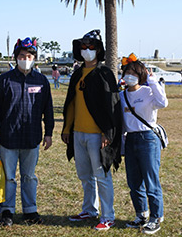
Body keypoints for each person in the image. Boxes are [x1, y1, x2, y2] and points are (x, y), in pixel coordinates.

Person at [61, 29, 122, 231]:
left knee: (101, 175)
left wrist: (107, 133)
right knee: (84, 175)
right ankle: (89, 209)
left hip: (98, 136)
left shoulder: (105, 74)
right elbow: (71, 103)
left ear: (99, 50)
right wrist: (67, 129)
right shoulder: (77, 73)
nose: (87, 50)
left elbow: (111, 106)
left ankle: (108, 215)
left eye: (91, 47)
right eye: (84, 47)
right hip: (78, 134)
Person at [0, 37, 54, 226]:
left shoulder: (42, 81)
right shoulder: (4, 80)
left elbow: (48, 109)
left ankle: (30, 211)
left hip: (31, 138)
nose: (25, 59)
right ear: (15, 57)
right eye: (21, 56)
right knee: (8, 177)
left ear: (34, 58)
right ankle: (7, 211)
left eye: (29, 56)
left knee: (29, 177)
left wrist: (48, 133)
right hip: (8, 138)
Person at [119, 53, 168, 234]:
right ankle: (141, 214)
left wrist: (153, 80)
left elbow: (163, 103)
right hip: (130, 139)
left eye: (134, 72)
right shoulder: (122, 95)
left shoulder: (148, 92)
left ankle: (156, 217)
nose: (129, 75)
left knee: (151, 180)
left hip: (148, 138)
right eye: (126, 72)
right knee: (134, 181)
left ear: (141, 75)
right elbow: (121, 121)